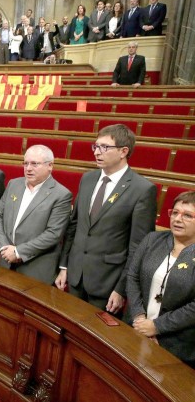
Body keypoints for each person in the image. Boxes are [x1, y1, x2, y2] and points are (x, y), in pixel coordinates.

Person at [56, 124, 157, 314]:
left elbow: (139, 247)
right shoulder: (87, 178)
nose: (97, 152)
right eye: (95, 146)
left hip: (107, 284)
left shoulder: (142, 189)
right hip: (76, 275)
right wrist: (64, 266)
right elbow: (75, 225)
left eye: (104, 147)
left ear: (123, 151)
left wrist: (122, 289)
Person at [126, 191, 195, 368]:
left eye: (187, 215)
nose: (177, 219)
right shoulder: (152, 240)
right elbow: (133, 277)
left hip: (175, 342)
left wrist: (156, 326)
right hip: (135, 328)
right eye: (175, 212)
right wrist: (139, 318)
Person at [0, 145, 72, 284]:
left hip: (35, 269)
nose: (28, 168)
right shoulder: (14, 184)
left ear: (50, 166)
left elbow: (53, 234)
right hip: (6, 261)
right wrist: (4, 246)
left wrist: (18, 252)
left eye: (34, 164)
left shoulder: (61, 195)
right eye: (26, 163)